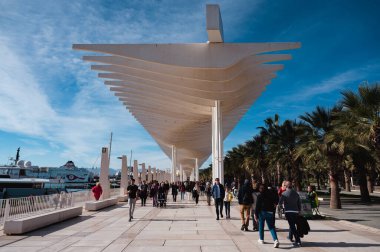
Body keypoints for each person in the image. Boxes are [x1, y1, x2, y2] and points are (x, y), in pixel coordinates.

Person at [255, 184, 280, 248]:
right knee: (271, 227)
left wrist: (256, 214)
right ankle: (275, 240)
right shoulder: (270, 194)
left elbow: (257, 206)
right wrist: (275, 204)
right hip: (270, 212)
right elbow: (277, 199)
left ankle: (261, 239)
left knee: (261, 225)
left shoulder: (259, 196)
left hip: (262, 212)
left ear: (260, 189)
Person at [279, 181, 302, 247]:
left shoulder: (284, 193)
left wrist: (282, 208)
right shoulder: (296, 193)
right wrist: (299, 210)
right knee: (292, 225)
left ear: (286, 186)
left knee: (292, 226)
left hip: (288, 212)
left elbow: (280, 203)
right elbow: (299, 203)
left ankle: (298, 240)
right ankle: (290, 237)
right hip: (296, 212)